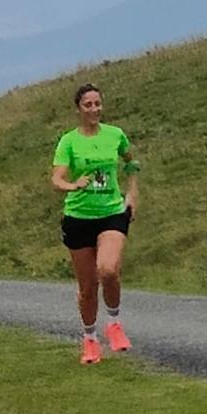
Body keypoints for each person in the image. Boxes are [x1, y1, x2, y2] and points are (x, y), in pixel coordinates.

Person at [51, 83, 139, 365]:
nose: (94, 109)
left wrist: (132, 192)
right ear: (78, 109)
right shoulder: (69, 141)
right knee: (87, 287)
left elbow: (131, 161)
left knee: (108, 269)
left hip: (112, 212)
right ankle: (89, 339)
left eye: (97, 104)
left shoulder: (115, 135)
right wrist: (72, 184)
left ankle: (114, 323)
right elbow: (56, 179)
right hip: (78, 217)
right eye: (88, 105)